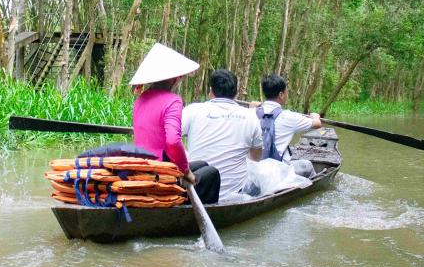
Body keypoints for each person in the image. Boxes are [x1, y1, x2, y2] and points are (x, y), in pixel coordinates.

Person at [130, 43, 221, 204]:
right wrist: (186, 172)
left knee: (203, 164)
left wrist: (184, 168)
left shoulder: (140, 99)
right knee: (212, 173)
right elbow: (172, 141)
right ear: (173, 78)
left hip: (143, 167)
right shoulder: (173, 101)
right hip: (160, 173)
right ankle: (189, 212)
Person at [181, 69, 263, 201]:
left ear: (210, 91)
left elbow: (171, 139)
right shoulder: (251, 116)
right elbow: (256, 158)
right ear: (236, 93)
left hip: (199, 188)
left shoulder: (192, 110)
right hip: (234, 193)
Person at [256, 74, 321, 178]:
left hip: (255, 170)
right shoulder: (289, 116)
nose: (287, 95)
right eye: (286, 92)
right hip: (277, 173)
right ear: (281, 94)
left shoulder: (250, 113)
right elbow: (317, 124)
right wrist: (315, 116)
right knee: (307, 165)